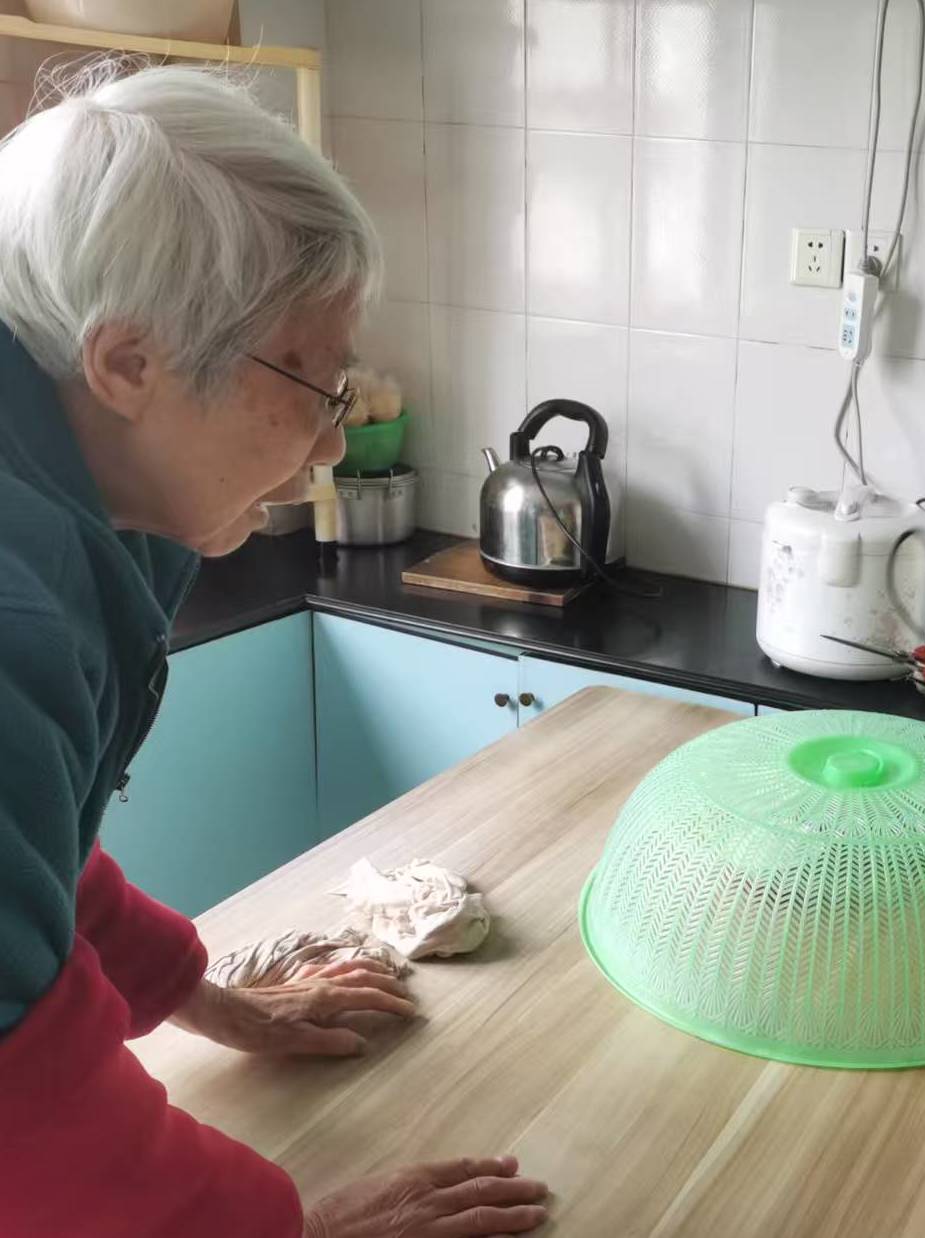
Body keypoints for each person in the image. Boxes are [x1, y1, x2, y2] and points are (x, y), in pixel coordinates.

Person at [0, 65, 551, 1236]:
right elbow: (19, 1099)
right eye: (316, 381)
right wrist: (293, 1226)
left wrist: (206, 1000)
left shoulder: (86, 493)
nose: (337, 438)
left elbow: (29, 864)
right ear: (128, 363)